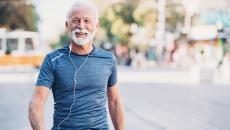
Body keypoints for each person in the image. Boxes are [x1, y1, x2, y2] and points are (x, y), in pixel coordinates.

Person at [28, 1, 125, 130]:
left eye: (87, 21)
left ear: (97, 26)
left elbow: (115, 101)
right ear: (67, 25)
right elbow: (37, 102)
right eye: (75, 20)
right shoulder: (52, 60)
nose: (81, 26)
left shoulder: (108, 59)